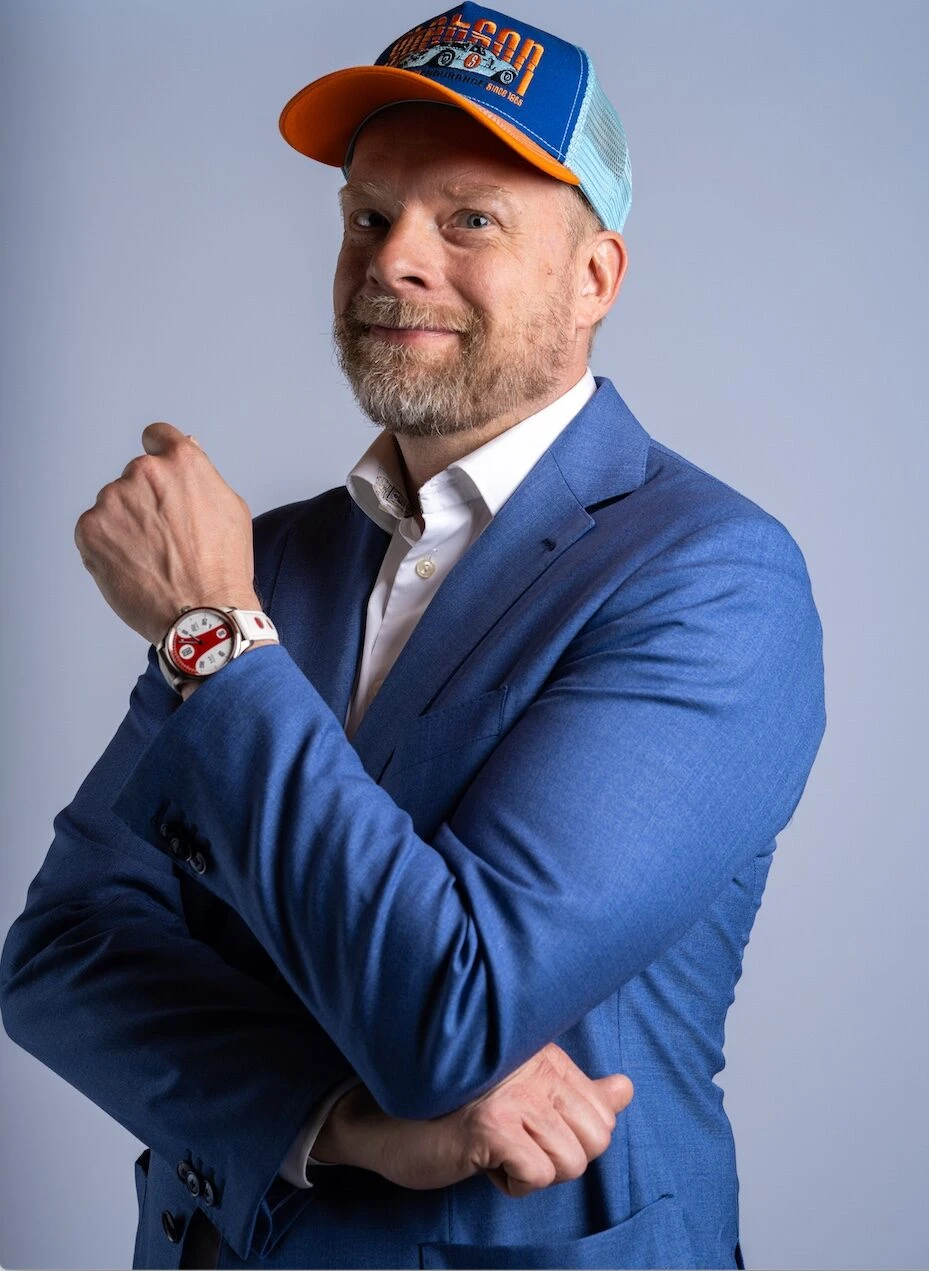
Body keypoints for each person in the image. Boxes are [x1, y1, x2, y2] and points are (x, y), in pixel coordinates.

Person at [0, 4, 826, 1269]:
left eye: (468, 220)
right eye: (367, 217)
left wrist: (211, 632)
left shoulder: (710, 579)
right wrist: (338, 1123)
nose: (394, 260)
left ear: (594, 278)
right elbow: (62, 954)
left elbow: (454, 1010)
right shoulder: (269, 559)